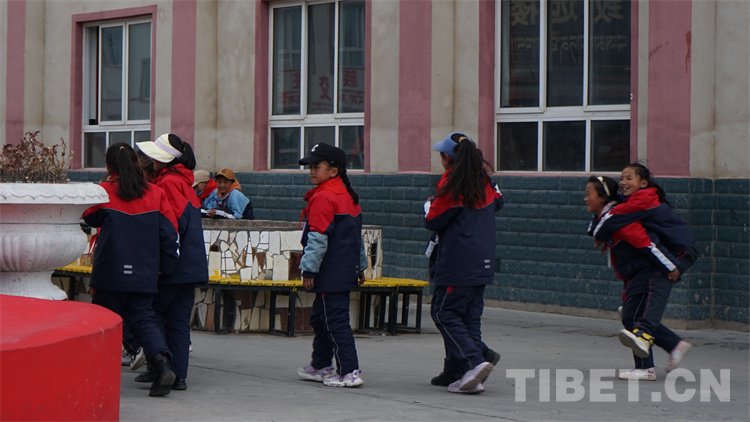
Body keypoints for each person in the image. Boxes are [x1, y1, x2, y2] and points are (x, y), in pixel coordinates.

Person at [82, 143, 179, 397]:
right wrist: (165, 268)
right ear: (137, 164)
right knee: (145, 319)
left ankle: (99, 373)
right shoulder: (156, 193)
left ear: (109, 166)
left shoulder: (104, 192)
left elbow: (88, 216)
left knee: (104, 321)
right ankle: (162, 365)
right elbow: (169, 235)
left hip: (110, 271)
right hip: (144, 271)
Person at [585, 174, 694, 380]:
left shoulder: (622, 223)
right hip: (636, 275)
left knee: (632, 316)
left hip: (648, 272)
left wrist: (669, 267)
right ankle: (673, 346)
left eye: (588, 193)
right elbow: (595, 229)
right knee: (631, 316)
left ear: (602, 198)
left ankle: (647, 367)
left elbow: (647, 244)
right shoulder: (608, 220)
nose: (585, 198)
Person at [424, 132, 504, 394]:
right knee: (468, 317)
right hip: (483, 262)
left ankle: (476, 361)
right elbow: (499, 203)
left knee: (444, 313)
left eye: (441, 155)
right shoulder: (485, 183)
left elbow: (433, 221)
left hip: (458, 262)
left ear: (447, 158)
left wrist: (428, 206)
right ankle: (458, 370)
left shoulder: (452, 186)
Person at [135, 133, 209, 391]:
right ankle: (179, 375)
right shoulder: (184, 182)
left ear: (160, 160)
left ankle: (160, 366)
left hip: (174, 266)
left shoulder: (167, 184)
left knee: (152, 314)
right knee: (177, 321)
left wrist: (160, 265)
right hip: (191, 266)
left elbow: (169, 228)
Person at [295, 143, 368, 388]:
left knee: (335, 322)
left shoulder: (324, 197)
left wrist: (308, 270)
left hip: (330, 272)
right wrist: (360, 267)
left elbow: (317, 238)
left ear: (334, 170)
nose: (311, 171)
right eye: (310, 166)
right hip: (344, 269)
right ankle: (320, 365)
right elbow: (357, 237)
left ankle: (349, 371)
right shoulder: (347, 196)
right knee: (320, 317)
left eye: (317, 166)